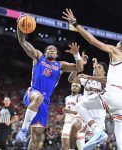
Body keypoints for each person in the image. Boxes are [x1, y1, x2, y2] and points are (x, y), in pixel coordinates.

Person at [16, 15, 87, 150]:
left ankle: (28, 138)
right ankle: (23, 130)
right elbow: (22, 41)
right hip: (32, 93)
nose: (50, 50)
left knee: (36, 137)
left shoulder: (61, 65)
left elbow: (79, 68)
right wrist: (20, 27)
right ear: (44, 52)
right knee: (38, 97)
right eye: (48, 49)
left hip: (45, 102)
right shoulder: (38, 57)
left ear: (57, 54)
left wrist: (77, 56)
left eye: (53, 49)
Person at [62, 8, 122, 150]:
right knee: (120, 142)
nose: (117, 44)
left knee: (80, 105)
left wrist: (76, 24)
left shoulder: (117, 52)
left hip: (112, 94)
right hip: (121, 101)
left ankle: (98, 131)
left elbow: (93, 41)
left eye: (119, 43)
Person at [68, 58, 107, 149]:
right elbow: (71, 79)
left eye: (99, 68)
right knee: (75, 125)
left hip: (97, 117)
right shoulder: (87, 80)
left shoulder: (105, 82)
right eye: (95, 67)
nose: (95, 68)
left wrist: (89, 75)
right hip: (84, 114)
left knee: (94, 147)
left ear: (104, 72)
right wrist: (77, 67)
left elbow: (104, 80)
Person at [57, 82, 85, 150]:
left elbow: (83, 112)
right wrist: (63, 116)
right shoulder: (67, 98)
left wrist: (69, 112)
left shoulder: (81, 97)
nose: (74, 87)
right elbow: (67, 110)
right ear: (71, 87)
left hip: (77, 124)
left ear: (79, 88)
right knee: (64, 146)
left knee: (81, 148)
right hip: (67, 123)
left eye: (76, 86)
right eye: (73, 86)